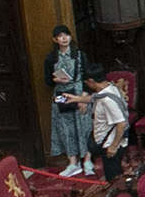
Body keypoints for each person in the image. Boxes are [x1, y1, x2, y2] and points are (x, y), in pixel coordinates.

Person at [45, 26, 92, 177]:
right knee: (66, 128)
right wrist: (55, 79)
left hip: (78, 90)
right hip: (61, 93)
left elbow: (88, 76)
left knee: (84, 126)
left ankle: (87, 160)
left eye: (66, 35)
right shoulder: (51, 58)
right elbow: (47, 81)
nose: (64, 38)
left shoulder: (79, 55)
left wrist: (85, 97)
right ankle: (73, 162)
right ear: (55, 40)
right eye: (60, 36)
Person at [88, 72, 130, 182]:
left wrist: (113, 146)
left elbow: (121, 123)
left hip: (110, 144)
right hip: (112, 142)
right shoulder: (111, 88)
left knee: (114, 180)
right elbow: (94, 98)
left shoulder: (107, 100)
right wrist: (74, 99)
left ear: (92, 81)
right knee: (116, 174)